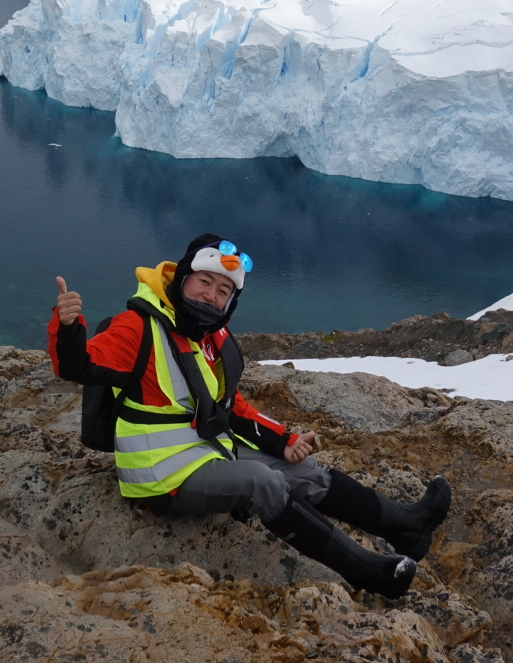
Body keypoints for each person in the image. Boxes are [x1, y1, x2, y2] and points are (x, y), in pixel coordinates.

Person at [48, 233, 451, 598]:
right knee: (263, 482)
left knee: (306, 470)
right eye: (204, 281)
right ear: (181, 278)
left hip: (205, 451)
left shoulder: (210, 336)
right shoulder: (139, 326)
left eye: (223, 290)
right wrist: (68, 328)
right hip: (160, 475)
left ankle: (406, 527)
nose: (211, 295)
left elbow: (230, 406)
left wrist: (284, 440)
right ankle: (366, 571)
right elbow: (81, 364)